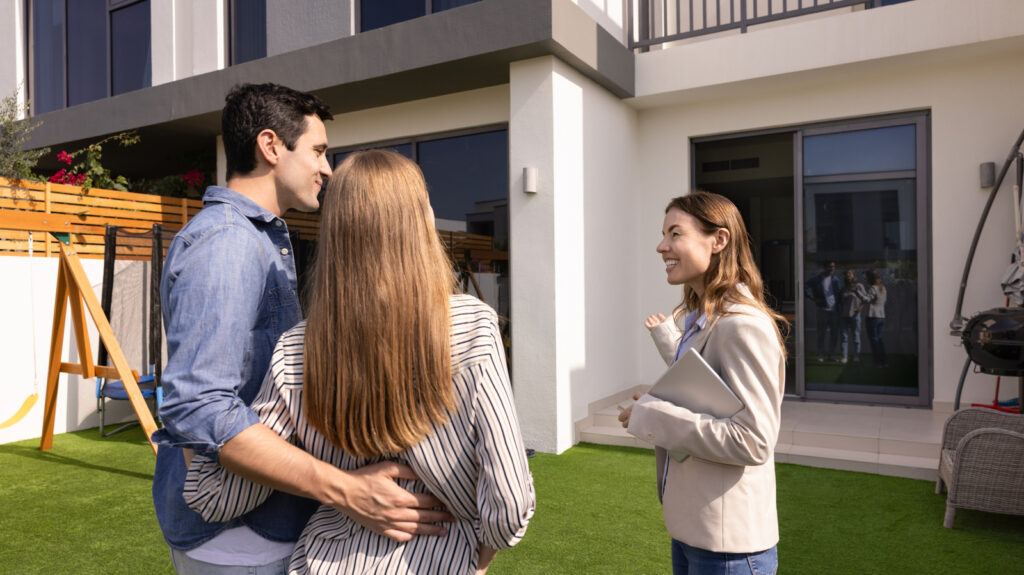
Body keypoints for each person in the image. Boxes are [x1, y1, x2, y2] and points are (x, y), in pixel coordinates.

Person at [182, 150, 535, 574]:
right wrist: (477, 562)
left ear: (336, 231)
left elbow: (215, 494)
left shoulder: (297, 349)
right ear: (420, 222)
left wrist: (191, 398)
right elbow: (509, 504)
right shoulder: (473, 326)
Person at [155, 85, 452, 574]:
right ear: (271, 146)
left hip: (263, 526)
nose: (327, 168)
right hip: (239, 540)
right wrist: (347, 489)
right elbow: (198, 404)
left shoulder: (257, 238)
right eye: (317, 151)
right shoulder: (228, 243)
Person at [621, 191, 786, 575]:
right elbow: (706, 387)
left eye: (675, 233)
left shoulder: (742, 325)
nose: (662, 246)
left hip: (728, 548)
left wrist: (652, 414)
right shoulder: (706, 319)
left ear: (719, 240)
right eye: (664, 234)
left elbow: (753, 440)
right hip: (696, 529)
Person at [805, 260, 841, 362]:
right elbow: (805, 286)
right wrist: (812, 298)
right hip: (822, 310)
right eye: (830, 267)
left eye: (833, 267)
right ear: (825, 267)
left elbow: (839, 294)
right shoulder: (817, 279)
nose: (832, 269)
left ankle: (831, 355)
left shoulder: (835, 279)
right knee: (821, 333)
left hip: (834, 310)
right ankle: (821, 355)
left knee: (834, 334)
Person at [839, 269, 869, 364]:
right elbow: (840, 302)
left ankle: (856, 356)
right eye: (846, 274)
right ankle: (844, 357)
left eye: (849, 273)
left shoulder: (859, 286)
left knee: (856, 337)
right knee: (844, 337)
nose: (847, 275)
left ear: (853, 275)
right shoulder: (843, 288)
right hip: (844, 316)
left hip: (855, 315)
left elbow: (865, 299)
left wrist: (860, 308)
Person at [865, 269, 887, 368]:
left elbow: (866, 299)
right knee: (879, 340)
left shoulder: (873, 288)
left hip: (873, 317)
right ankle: (883, 361)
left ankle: (877, 362)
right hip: (881, 316)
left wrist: (856, 292)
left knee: (874, 341)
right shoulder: (883, 288)